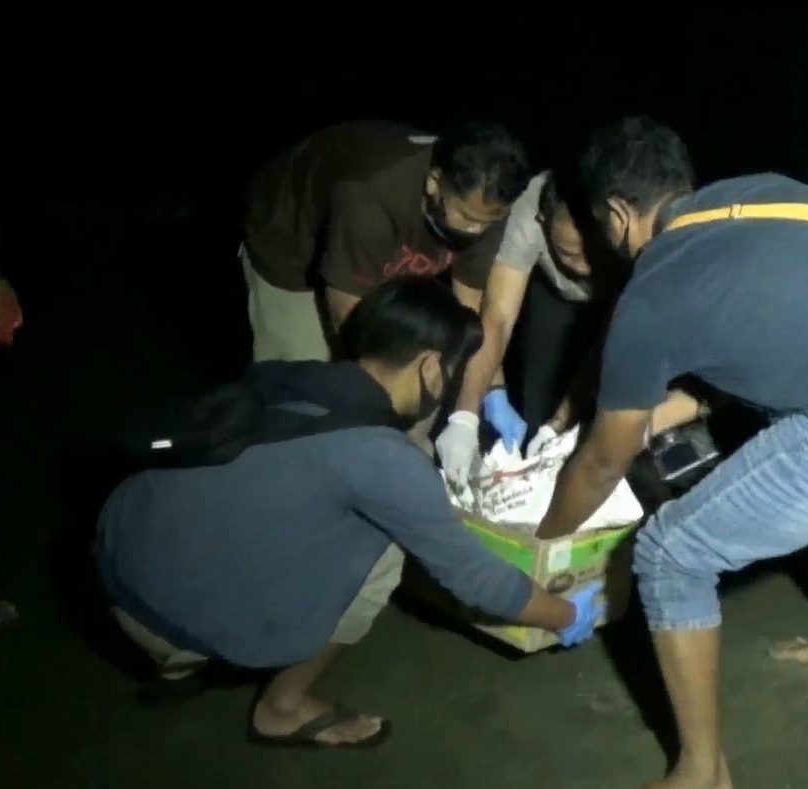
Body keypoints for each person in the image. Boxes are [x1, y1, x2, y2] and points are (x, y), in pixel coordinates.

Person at [535, 117, 808, 789]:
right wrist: (656, 415)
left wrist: (543, 541)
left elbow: (601, 462)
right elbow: (770, 352)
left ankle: (700, 774)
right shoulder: (766, 193)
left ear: (618, 212)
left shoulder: (652, 289)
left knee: (668, 553)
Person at [96, 276, 604, 750]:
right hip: (171, 621)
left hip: (116, 564)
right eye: (452, 373)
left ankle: (176, 671)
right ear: (431, 368)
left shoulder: (287, 377)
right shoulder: (387, 462)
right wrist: (567, 614)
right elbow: (477, 583)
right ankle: (282, 706)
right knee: (385, 555)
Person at [240, 119, 531, 362]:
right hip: (289, 243)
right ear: (433, 183)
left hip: (379, 251)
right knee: (307, 367)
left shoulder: (488, 200)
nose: (477, 231)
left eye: (488, 223)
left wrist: (474, 406)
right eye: (467, 218)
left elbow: (469, 311)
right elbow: (348, 313)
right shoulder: (369, 195)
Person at [436, 170, 609, 484]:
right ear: (543, 221)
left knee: (601, 402)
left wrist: (562, 421)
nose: (585, 269)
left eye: (593, 254)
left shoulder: (632, 226)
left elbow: (612, 343)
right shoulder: (529, 209)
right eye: (571, 254)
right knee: (539, 381)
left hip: (617, 293)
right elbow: (497, 319)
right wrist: (465, 415)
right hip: (555, 292)